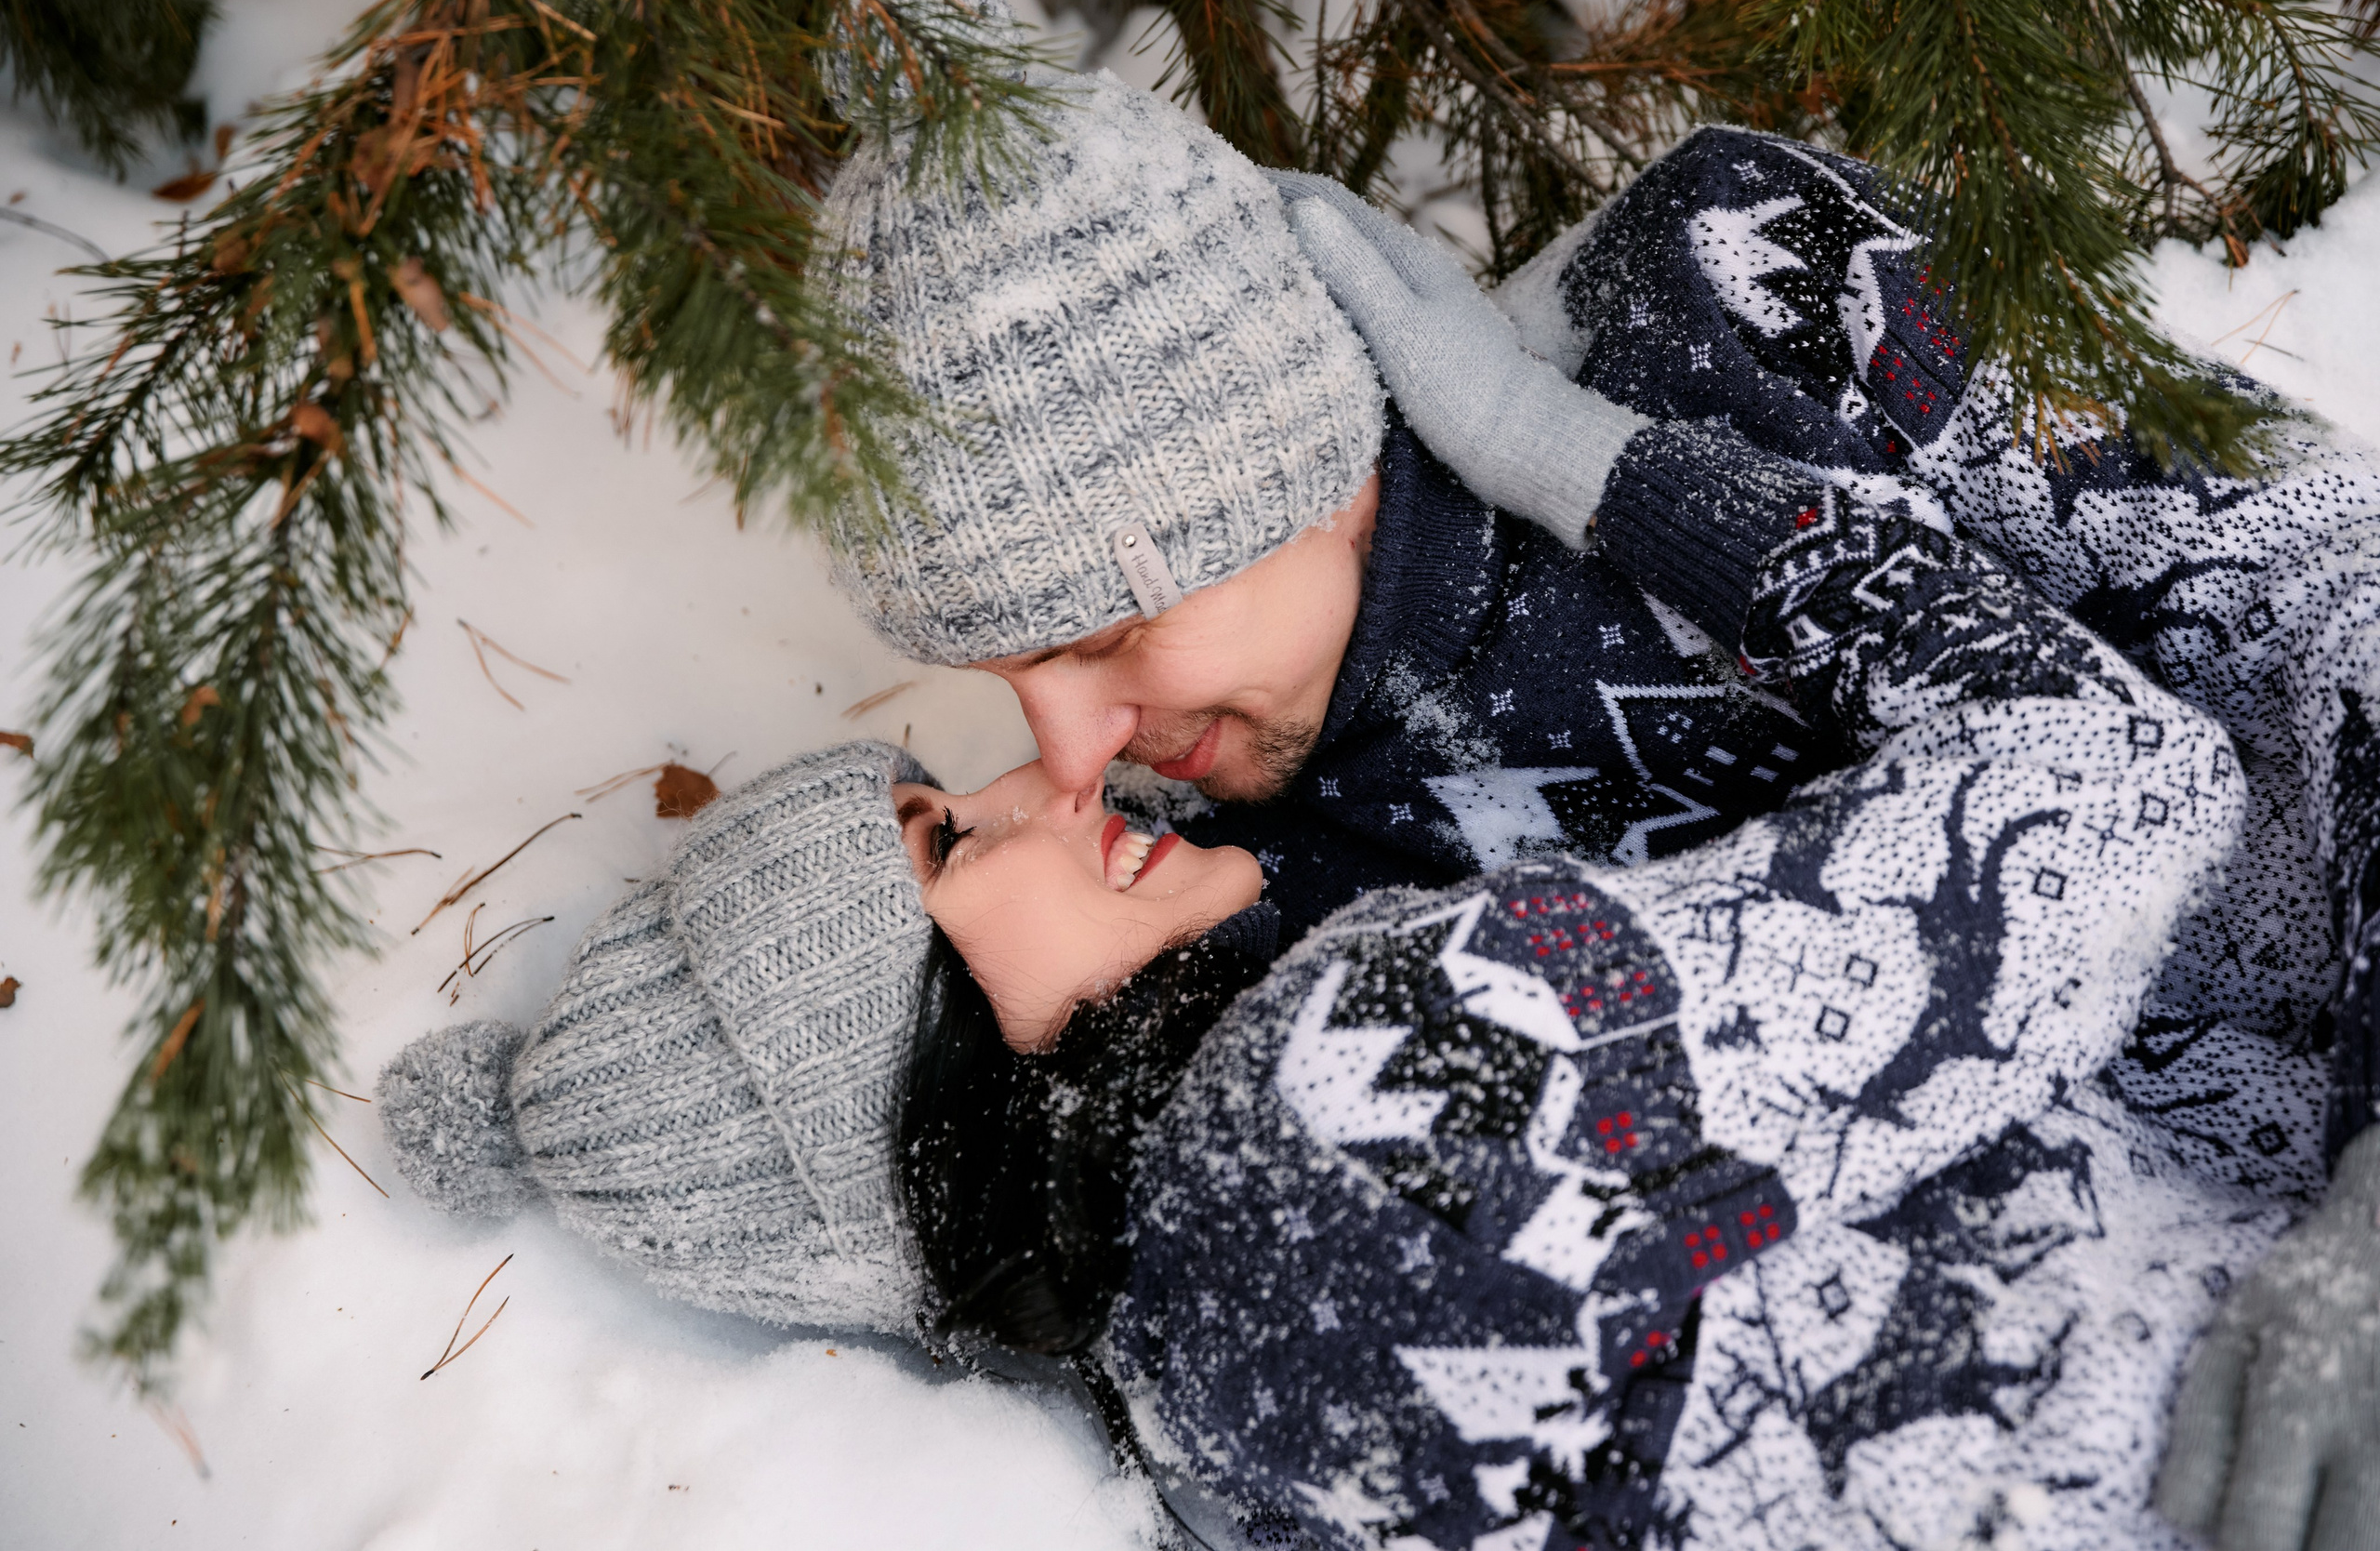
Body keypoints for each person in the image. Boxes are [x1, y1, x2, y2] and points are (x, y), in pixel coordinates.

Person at [379, 447, 2298, 1547]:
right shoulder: (1366, 1093)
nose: (1059, 785)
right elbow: (2114, 797)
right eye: (950, 844)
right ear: (907, 1081)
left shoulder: (1217, 1442)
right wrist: (1644, 487)